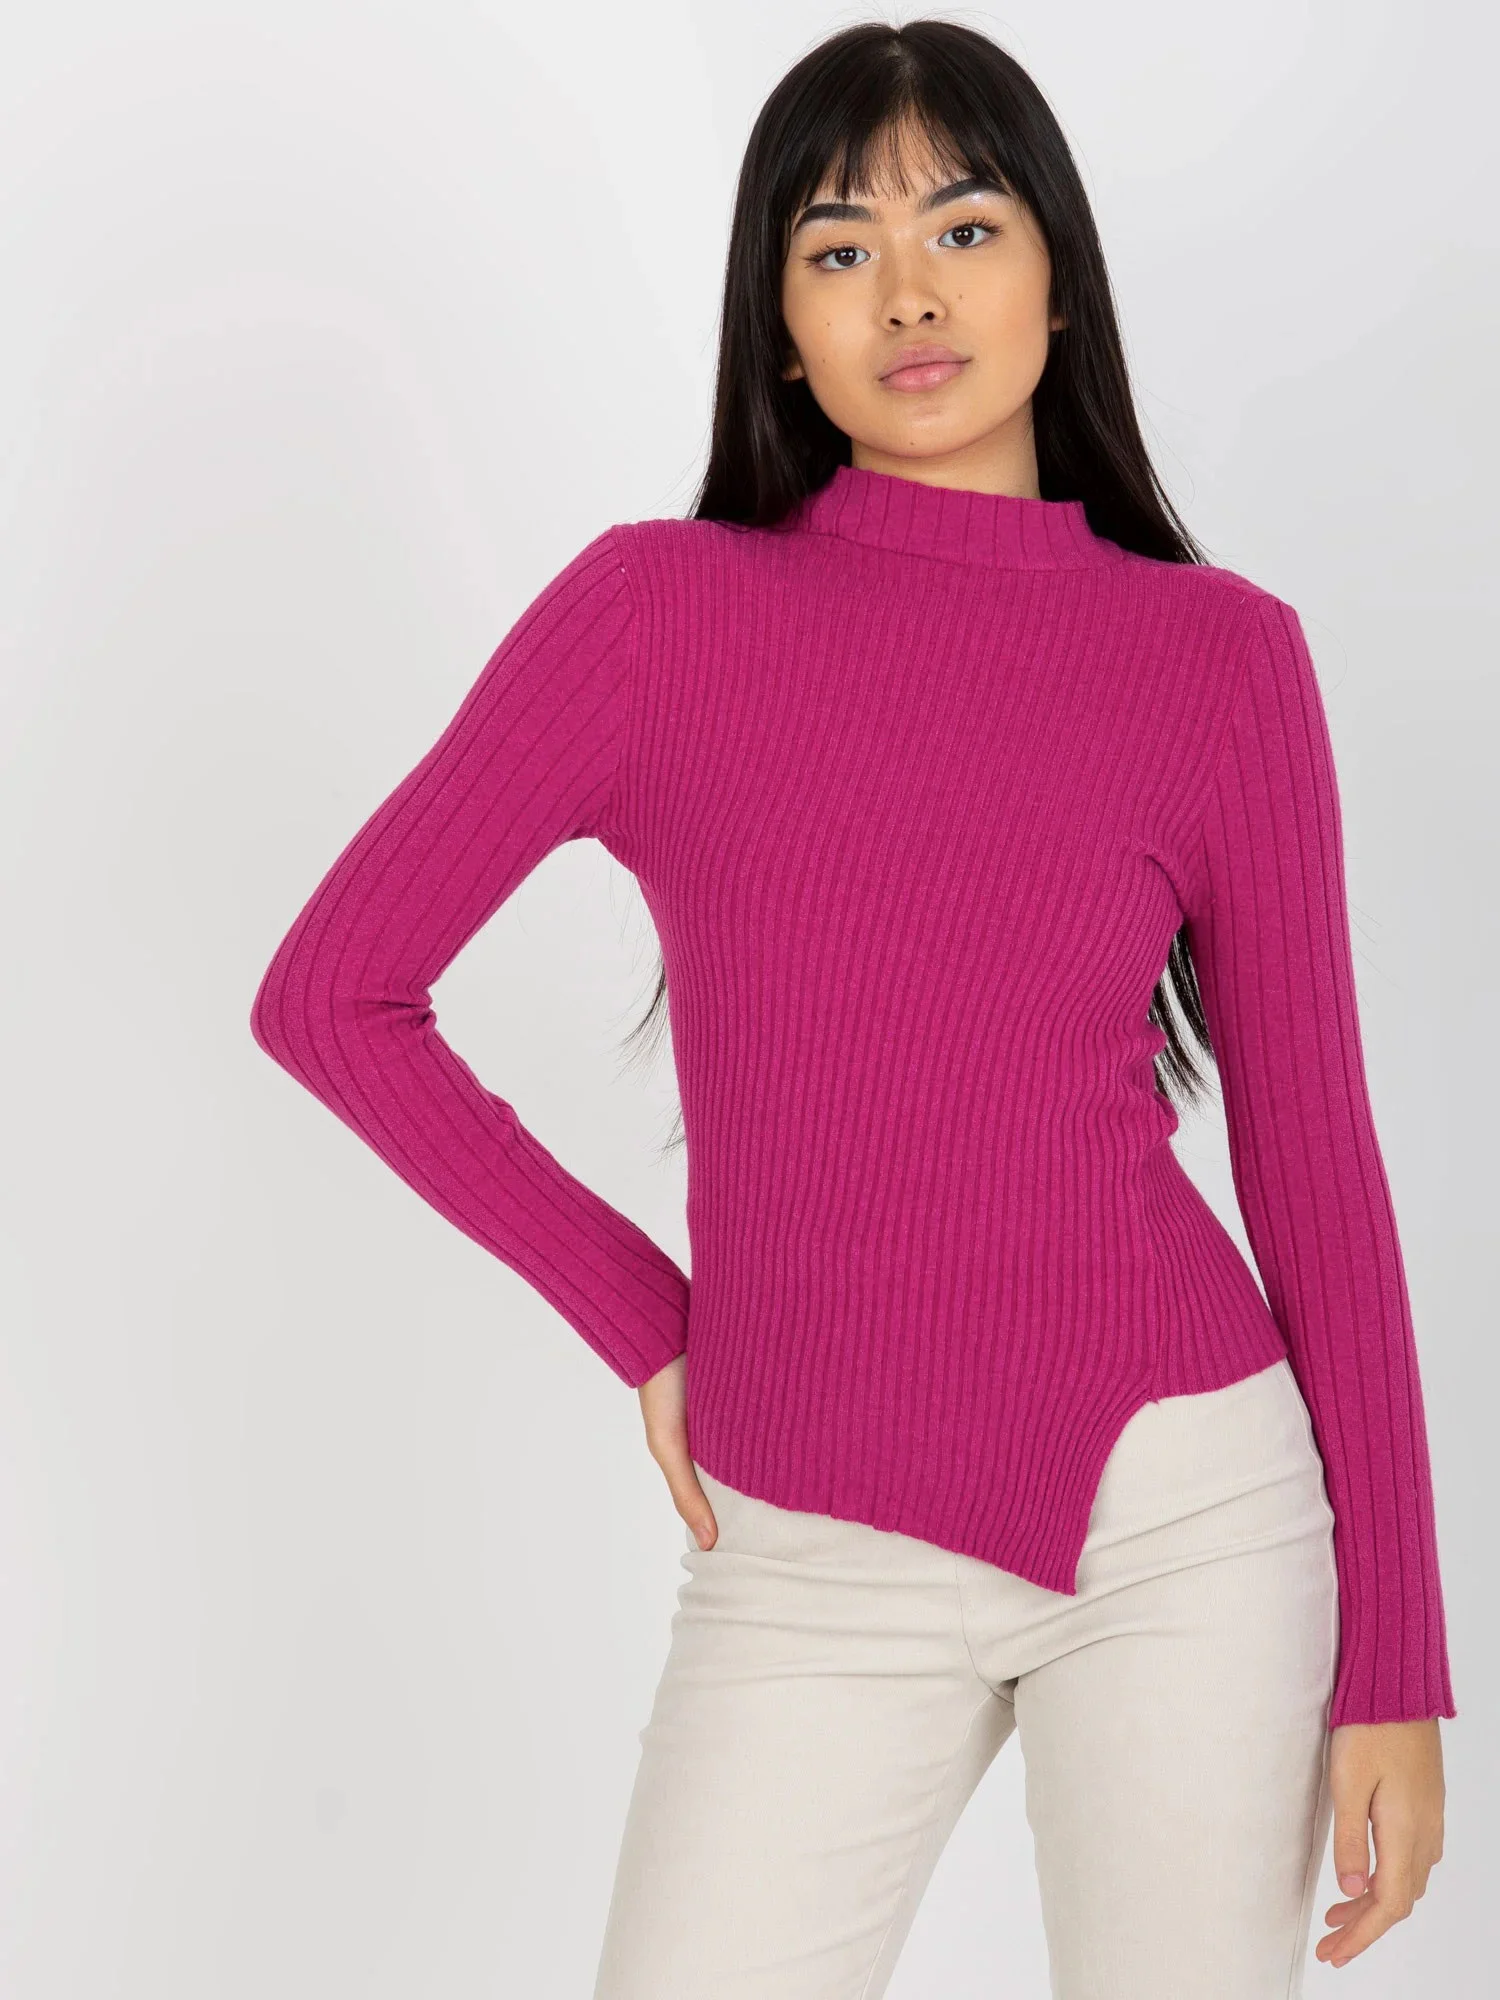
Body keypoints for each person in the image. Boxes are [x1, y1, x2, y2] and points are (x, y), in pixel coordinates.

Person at [248, 18, 1454, 1998]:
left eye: (964, 228)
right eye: (837, 247)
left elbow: (1318, 1171)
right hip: (806, 1543)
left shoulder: (1220, 660)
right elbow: (335, 996)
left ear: (1057, 282)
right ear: (781, 329)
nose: (908, 292)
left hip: (1182, 1516)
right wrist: (650, 1318)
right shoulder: (655, 616)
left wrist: (1396, 1658)